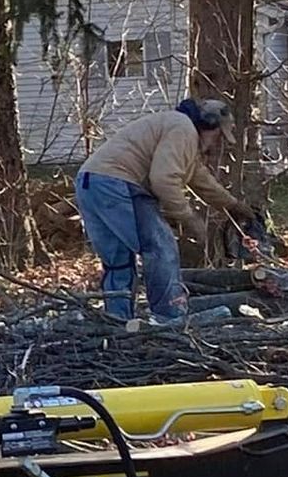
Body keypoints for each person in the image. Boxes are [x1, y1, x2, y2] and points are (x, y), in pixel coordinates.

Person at [73, 99, 260, 322]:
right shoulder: (183, 129)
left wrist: (233, 205)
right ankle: (168, 316)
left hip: (90, 182)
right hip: (119, 184)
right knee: (162, 247)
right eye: (218, 135)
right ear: (208, 124)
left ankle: (118, 319)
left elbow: (202, 180)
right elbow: (164, 179)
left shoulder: (176, 129)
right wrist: (190, 219)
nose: (217, 143)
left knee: (118, 260)